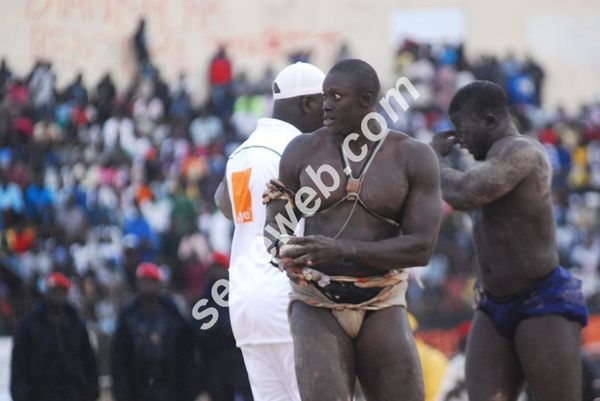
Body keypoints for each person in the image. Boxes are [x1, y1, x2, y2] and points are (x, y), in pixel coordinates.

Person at [263, 59, 442, 401]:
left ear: (367, 99)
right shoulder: (302, 150)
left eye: (336, 96)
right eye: (324, 96)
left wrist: (343, 249)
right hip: (315, 302)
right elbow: (274, 226)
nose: (326, 105)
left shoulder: (412, 156)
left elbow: (422, 248)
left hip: (382, 299)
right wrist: (283, 249)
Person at [430, 80, 588, 401]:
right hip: (493, 303)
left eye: (463, 130)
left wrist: (433, 159)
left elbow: (463, 193)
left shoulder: (523, 152)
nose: (460, 140)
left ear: (489, 120)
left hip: (540, 298)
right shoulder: (489, 164)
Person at [214, 61, 326, 401]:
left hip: (245, 301)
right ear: (306, 103)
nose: (329, 115)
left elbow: (223, 203)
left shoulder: (242, 150)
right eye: (324, 104)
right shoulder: (297, 148)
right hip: (287, 297)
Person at [111, 262, 198, 401]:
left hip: (169, 384)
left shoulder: (172, 313)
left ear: (159, 284)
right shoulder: (128, 316)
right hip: (138, 386)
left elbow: (185, 352)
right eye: (144, 281)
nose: (148, 285)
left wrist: (189, 388)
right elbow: (119, 358)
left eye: (151, 281)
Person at [11, 272, 99, 401]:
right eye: (54, 291)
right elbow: (19, 363)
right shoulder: (29, 325)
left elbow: (88, 358)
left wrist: (92, 389)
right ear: (46, 292)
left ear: (66, 293)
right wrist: (21, 394)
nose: (57, 295)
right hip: (41, 394)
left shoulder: (75, 322)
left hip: (74, 393)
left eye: (60, 291)